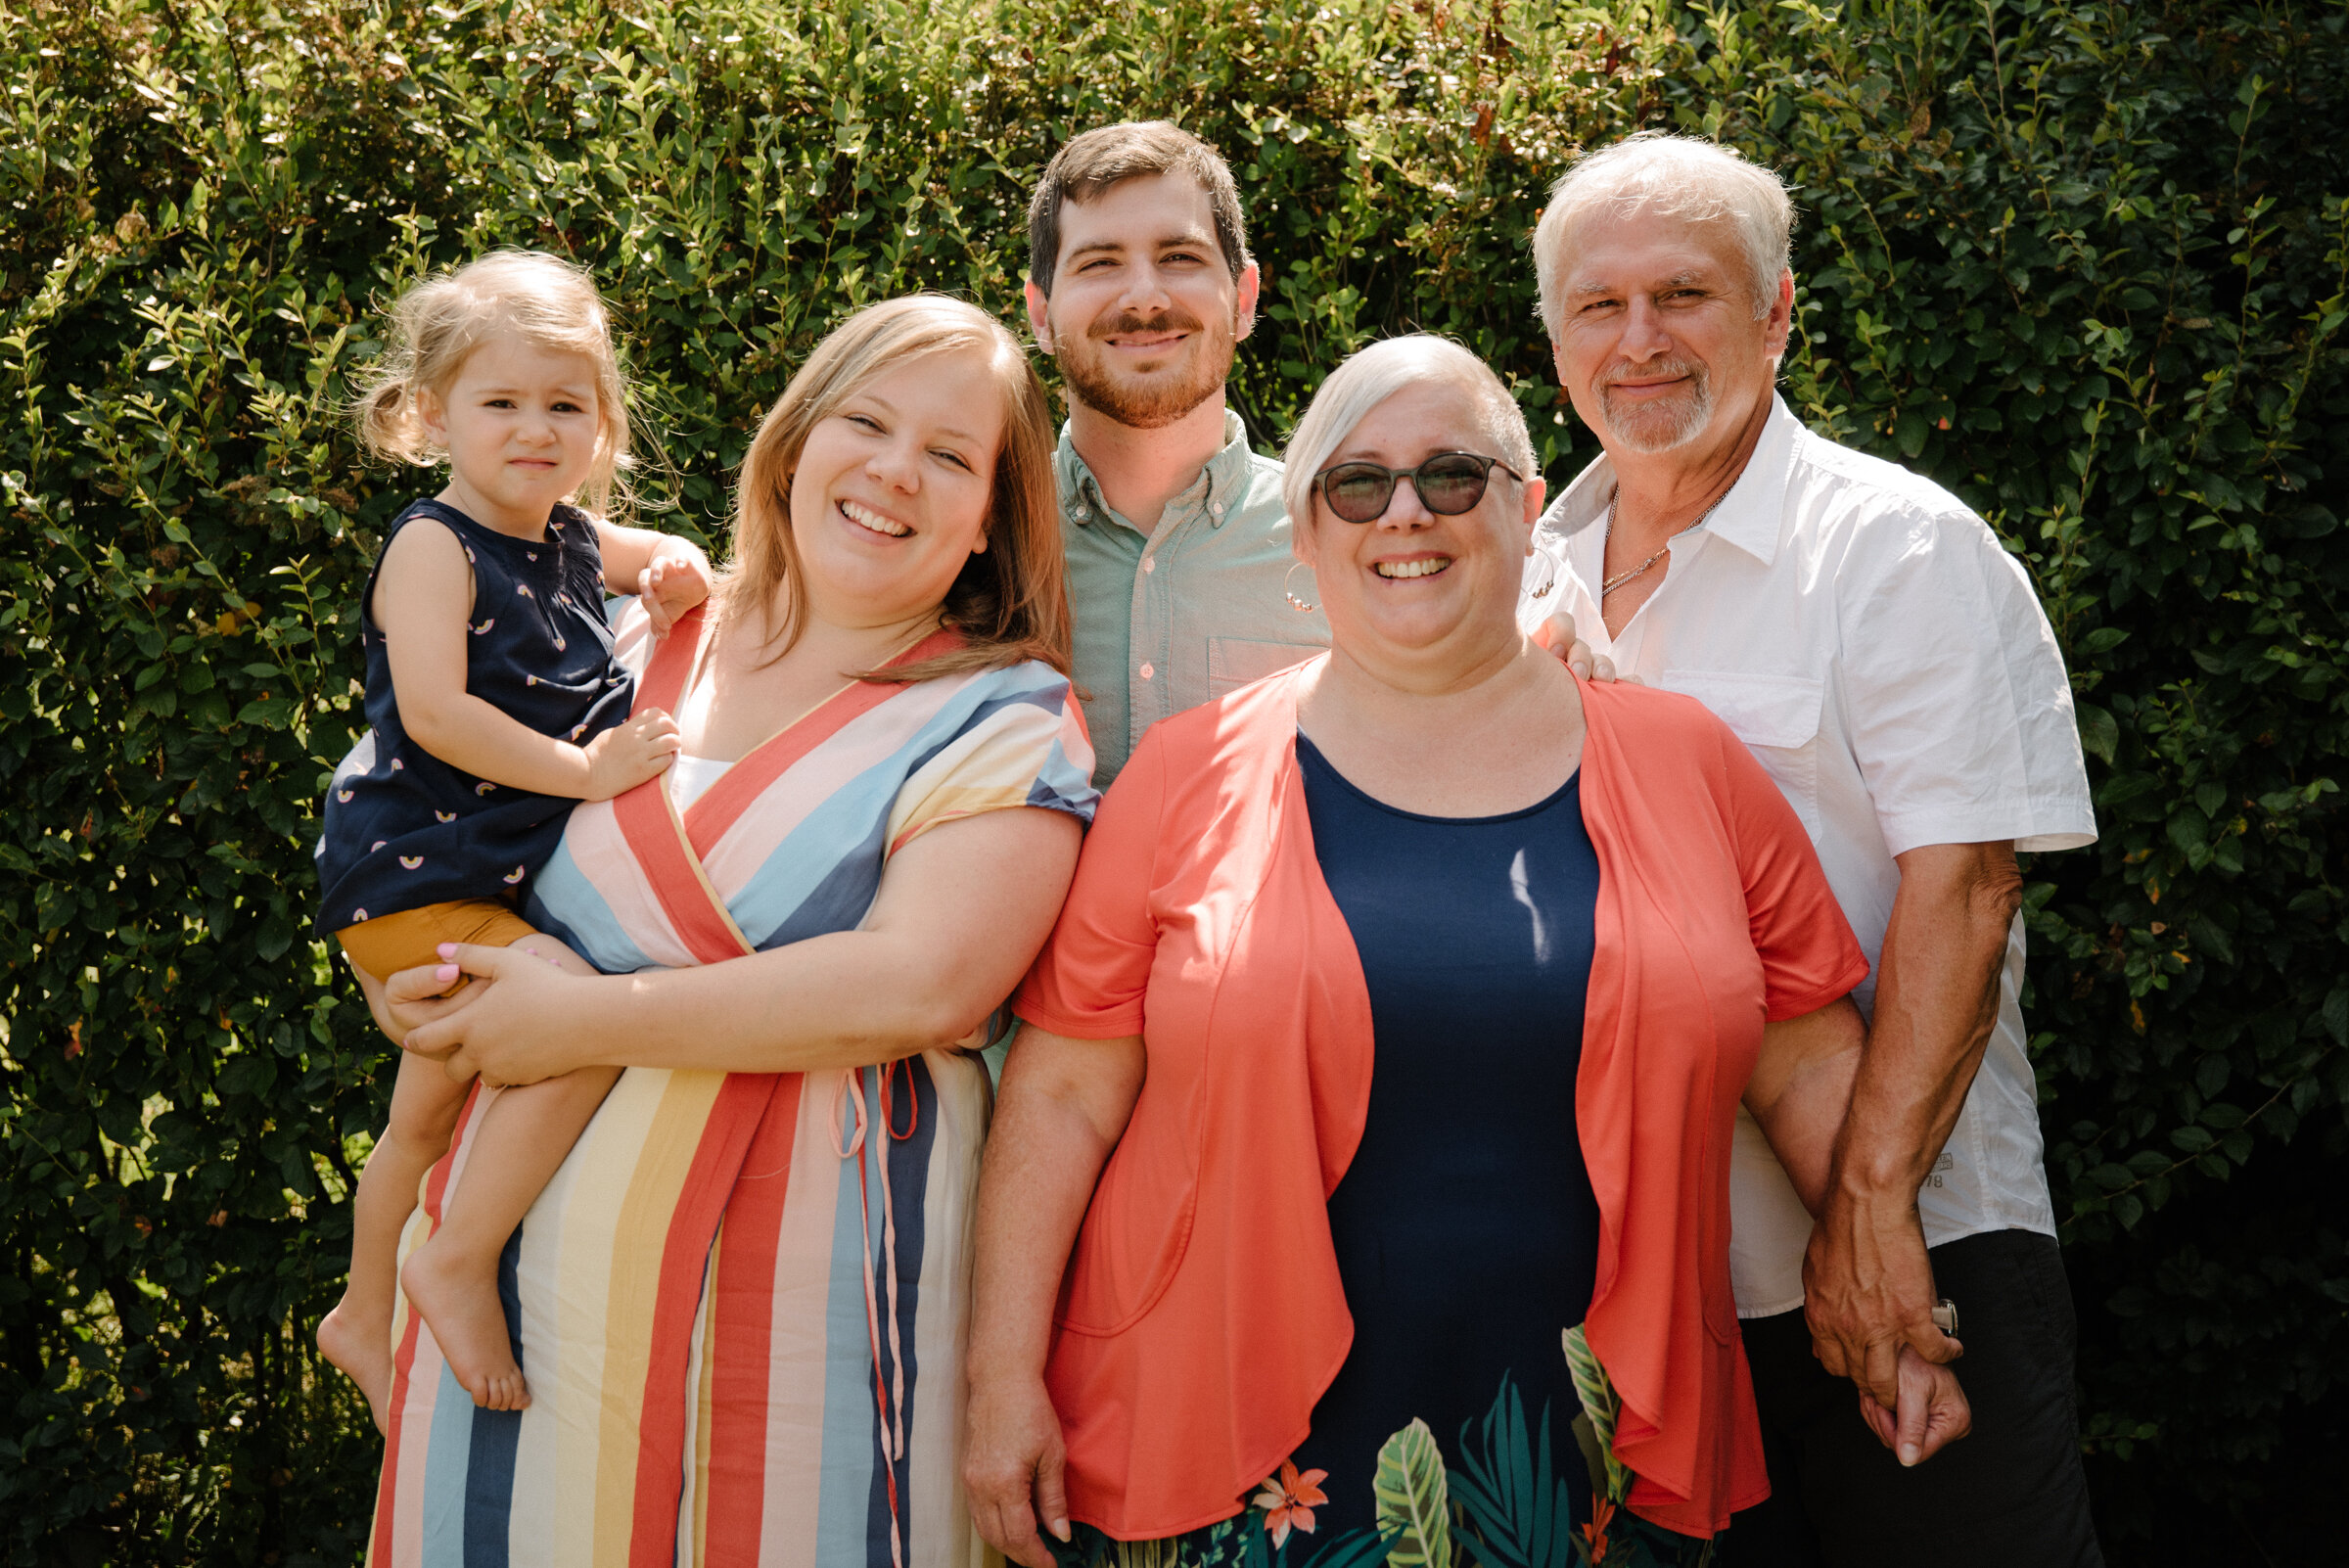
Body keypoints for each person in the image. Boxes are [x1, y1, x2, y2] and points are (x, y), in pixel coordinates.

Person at [962, 337, 1968, 1568]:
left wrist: (1885, 1294)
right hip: (1233, 1451)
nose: (1405, 514)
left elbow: (1809, 1061)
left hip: (1592, 1457)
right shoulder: (1183, 776)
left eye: (1451, 476)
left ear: (1528, 509)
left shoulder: (1689, 761)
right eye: (1356, 484)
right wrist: (1000, 1380)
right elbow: (1062, 1095)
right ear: (1306, 532)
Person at [353, 294, 1098, 1567]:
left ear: (993, 516)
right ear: (796, 440)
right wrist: (411, 970)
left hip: (815, 1336)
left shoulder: (1005, 715)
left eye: (950, 454)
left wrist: (585, 1016)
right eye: (865, 421)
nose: (892, 470)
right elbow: (447, 826)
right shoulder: (631, 630)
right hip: (516, 1316)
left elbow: (917, 982)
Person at [1522, 132, 2101, 1565]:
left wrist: (1868, 1216)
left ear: (1778, 312)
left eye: (1685, 295)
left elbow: (1962, 889)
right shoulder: (1522, 569)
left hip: (1906, 1250)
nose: (1639, 339)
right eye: (1599, 306)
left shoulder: (1897, 550)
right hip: (1634, 1287)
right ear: (1552, 341)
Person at [312, 249, 714, 1430]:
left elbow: (667, 569)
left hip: (472, 876)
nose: (535, 430)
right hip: (413, 875)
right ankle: (452, 1255)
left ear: (602, 420)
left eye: (565, 405)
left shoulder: (570, 536)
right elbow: (437, 712)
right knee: (580, 1023)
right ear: (434, 415)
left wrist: (686, 566)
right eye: (501, 403)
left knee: (421, 1117)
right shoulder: (433, 545)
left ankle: (355, 1311)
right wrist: (586, 771)